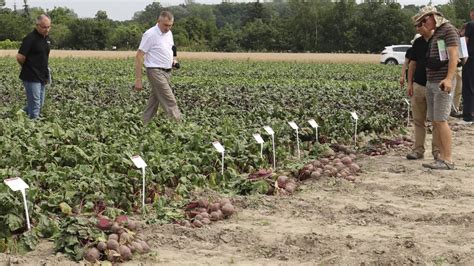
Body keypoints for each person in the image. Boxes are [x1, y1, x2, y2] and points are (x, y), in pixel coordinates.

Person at [413, 6, 459, 170]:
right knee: (435, 120)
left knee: (441, 120)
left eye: (424, 20)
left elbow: (453, 56)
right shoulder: (437, 33)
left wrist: (448, 78)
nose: (423, 24)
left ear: (434, 16)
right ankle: (440, 158)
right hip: (432, 82)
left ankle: (447, 160)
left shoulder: (448, 30)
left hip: (441, 82)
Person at [134, 10, 181, 125]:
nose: (168, 28)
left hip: (167, 72)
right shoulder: (150, 34)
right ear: (158, 21)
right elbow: (139, 56)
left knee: (153, 102)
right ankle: (180, 128)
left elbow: (172, 49)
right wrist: (138, 80)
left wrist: (174, 61)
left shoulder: (169, 33)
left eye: (170, 25)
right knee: (170, 101)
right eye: (165, 25)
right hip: (155, 71)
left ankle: (144, 125)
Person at [406, 27, 440, 161]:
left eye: (419, 26)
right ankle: (418, 150)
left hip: (435, 84)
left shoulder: (439, 40)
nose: (417, 29)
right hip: (418, 84)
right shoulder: (418, 42)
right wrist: (410, 83)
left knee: (437, 121)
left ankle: (437, 151)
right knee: (418, 120)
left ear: (427, 24)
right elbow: (412, 64)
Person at [16, 14, 51, 119]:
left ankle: (20, 113)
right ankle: (33, 130)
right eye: (44, 27)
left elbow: (43, 57)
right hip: (31, 76)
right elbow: (20, 57)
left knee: (40, 104)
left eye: (49, 27)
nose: (47, 29)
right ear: (37, 25)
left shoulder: (47, 39)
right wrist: (28, 67)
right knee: (35, 106)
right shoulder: (30, 38)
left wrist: (45, 74)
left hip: (42, 75)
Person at [461, 20, 474, 124]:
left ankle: (468, 116)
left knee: (468, 88)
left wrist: (462, 58)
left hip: (470, 60)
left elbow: (464, 42)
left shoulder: (471, 25)